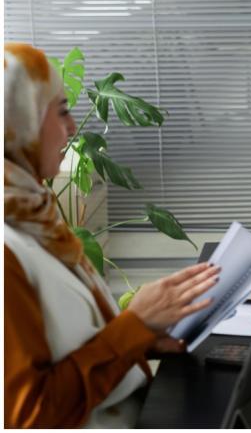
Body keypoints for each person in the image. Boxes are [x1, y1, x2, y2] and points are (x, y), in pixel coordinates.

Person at [4, 42, 221, 428]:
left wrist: (139, 336)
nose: (72, 128)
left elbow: (62, 343)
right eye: (61, 111)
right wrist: (132, 326)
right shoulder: (8, 251)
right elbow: (28, 417)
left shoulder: (32, 213)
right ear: (18, 123)